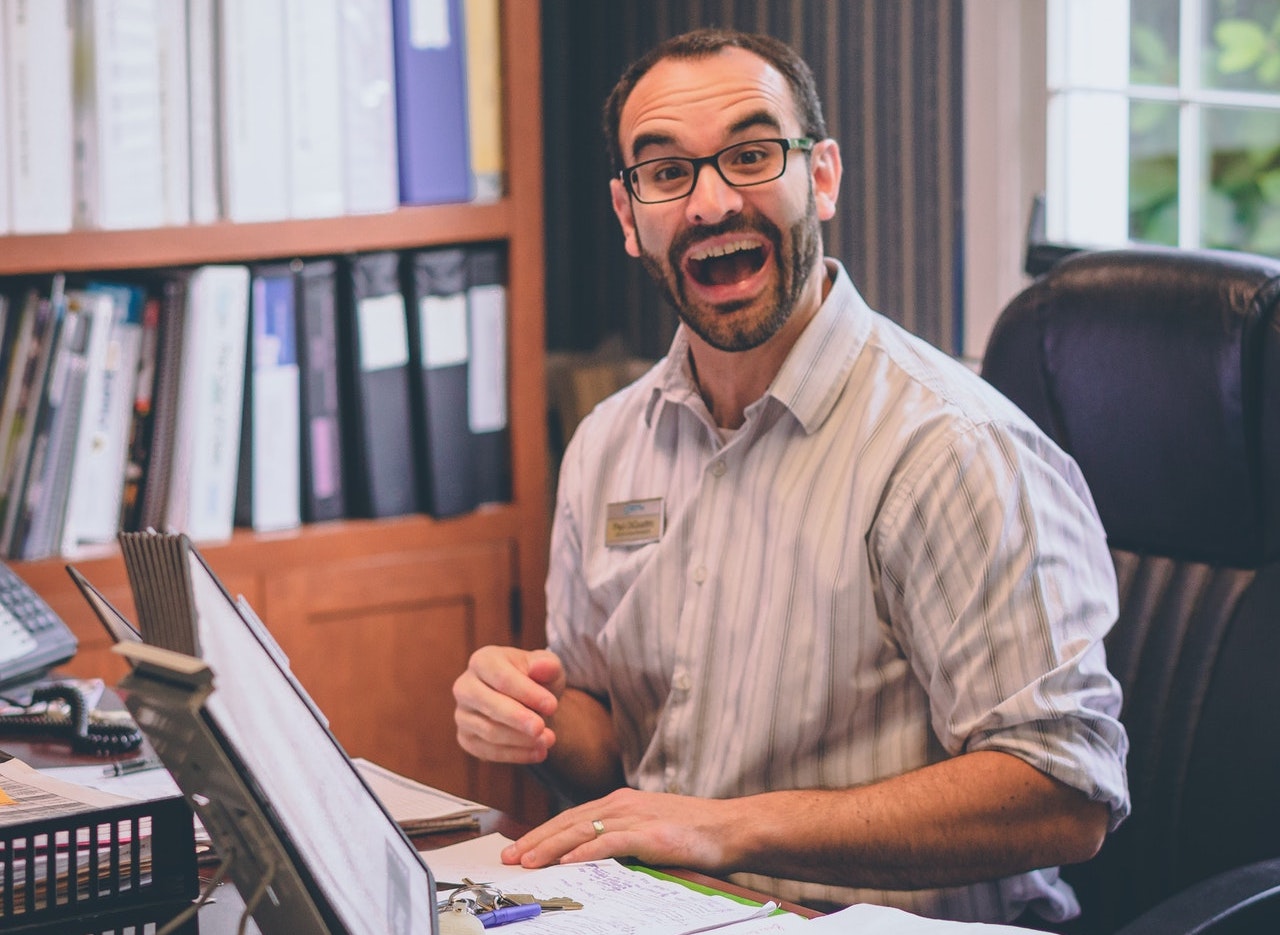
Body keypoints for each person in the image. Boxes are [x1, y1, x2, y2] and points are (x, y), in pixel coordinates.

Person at [453, 28, 1129, 926]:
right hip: (669, 910)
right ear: (629, 216)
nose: (711, 202)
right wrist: (535, 718)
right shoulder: (608, 442)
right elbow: (611, 741)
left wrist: (726, 830)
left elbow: (1067, 790)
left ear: (822, 177)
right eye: (666, 173)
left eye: (751, 154)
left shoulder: (951, 448)